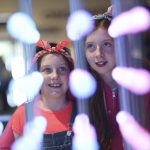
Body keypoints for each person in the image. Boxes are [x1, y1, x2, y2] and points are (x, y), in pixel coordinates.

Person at [0, 39, 77, 149]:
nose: (55, 75)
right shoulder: (24, 113)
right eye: (47, 70)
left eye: (62, 69)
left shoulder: (84, 110)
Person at [84, 6, 124, 150]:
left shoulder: (141, 81)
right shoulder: (80, 90)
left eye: (106, 44)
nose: (98, 54)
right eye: (90, 46)